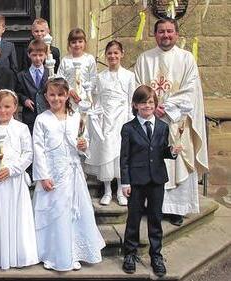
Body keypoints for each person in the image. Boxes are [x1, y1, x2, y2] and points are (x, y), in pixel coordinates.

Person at [134, 19, 208, 226]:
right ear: (155, 34)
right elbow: (138, 86)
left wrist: (165, 107)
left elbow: (190, 88)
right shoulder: (144, 59)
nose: (165, 35)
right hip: (150, 119)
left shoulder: (187, 58)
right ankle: (153, 206)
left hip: (177, 121)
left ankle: (177, 209)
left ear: (176, 34)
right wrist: (151, 106)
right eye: (160, 32)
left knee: (176, 161)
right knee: (152, 160)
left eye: (169, 31)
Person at [32, 77, 105, 271]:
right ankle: (52, 253)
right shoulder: (42, 119)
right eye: (52, 95)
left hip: (72, 173)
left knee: (74, 212)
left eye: (60, 94)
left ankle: (73, 252)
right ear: (46, 96)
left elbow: (84, 140)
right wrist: (43, 176)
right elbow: (38, 149)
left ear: (67, 96)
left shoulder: (76, 117)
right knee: (54, 212)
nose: (56, 98)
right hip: (52, 173)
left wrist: (84, 145)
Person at [120, 85, 182, 277]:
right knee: (134, 218)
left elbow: (162, 150)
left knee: (155, 218)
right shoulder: (129, 128)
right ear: (135, 105)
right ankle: (130, 253)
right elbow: (124, 158)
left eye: (150, 102)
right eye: (142, 102)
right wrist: (125, 182)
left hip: (156, 179)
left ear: (155, 104)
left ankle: (156, 255)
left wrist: (171, 152)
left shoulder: (162, 127)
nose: (147, 106)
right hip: (136, 181)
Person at [0, 89, 38, 270]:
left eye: (7, 107)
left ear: (15, 108)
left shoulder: (21, 129)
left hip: (14, 181)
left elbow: (28, 153)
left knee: (15, 215)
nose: (3, 111)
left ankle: (16, 254)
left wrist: (12, 170)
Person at [84, 40, 135, 206]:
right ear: (106, 55)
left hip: (122, 119)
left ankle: (121, 190)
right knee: (106, 152)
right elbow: (97, 100)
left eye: (116, 53)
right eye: (110, 53)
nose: (113, 56)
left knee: (121, 153)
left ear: (121, 54)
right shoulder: (101, 77)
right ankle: (107, 190)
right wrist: (96, 115)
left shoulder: (129, 76)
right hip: (106, 118)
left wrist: (130, 120)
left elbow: (130, 100)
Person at [56, 28, 97, 104]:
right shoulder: (66, 60)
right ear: (69, 44)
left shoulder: (89, 59)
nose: (77, 44)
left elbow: (93, 78)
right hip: (69, 98)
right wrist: (69, 89)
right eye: (73, 42)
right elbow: (60, 78)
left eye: (80, 41)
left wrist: (87, 92)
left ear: (85, 43)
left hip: (85, 98)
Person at [16, 39, 49, 133]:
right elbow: (17, 92)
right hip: (30, 116)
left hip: (47, 113)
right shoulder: (22, 75)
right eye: (34, 55)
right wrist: (24, 99)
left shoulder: (50, 73)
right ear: (29, 55)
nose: (38, 58)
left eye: (41, 55)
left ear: (46, 55)